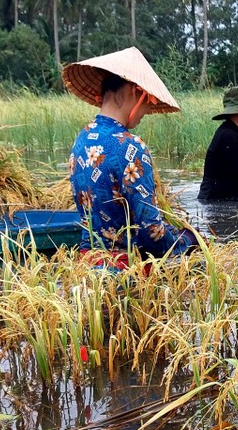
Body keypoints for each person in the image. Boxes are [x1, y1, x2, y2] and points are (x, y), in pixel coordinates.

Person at [62, 47, 198, 270]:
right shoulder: (131, 147)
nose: (147, 111)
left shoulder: (81, 139)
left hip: (87, 268)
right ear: (136, 91)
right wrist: (186, 241)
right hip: (124, 271)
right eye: (148, 101)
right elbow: (150, 232)